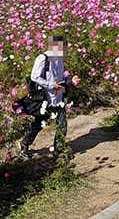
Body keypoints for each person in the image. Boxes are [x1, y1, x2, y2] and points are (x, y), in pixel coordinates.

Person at [19, 35, 79, 163]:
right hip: (46, 98)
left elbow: (61, 77)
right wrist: (51, 85)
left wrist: (70, 81)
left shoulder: (59, 59)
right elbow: (35, 77)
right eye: (64, 48)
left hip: (59, 97)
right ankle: (24, 144)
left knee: (62, 124)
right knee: (39, 124)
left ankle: (58, 150)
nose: (65, 51)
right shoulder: (43, 58)